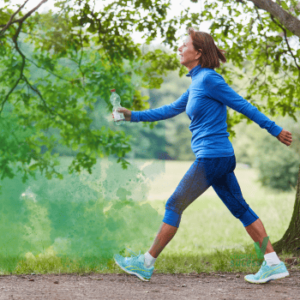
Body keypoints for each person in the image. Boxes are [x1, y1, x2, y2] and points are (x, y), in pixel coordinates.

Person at [113, 28, 293, 284]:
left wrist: (274, 129)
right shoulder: (197, 83)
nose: (179, 48)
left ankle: (146, 263)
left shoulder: (210, 79)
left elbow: (242, 104)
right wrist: (132, 115)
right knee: (241, 209)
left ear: (198, 52)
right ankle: (273, 263)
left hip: (212, 158)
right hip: (218, 158)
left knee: (174, 204)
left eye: (184, 44)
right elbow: (170, 109)